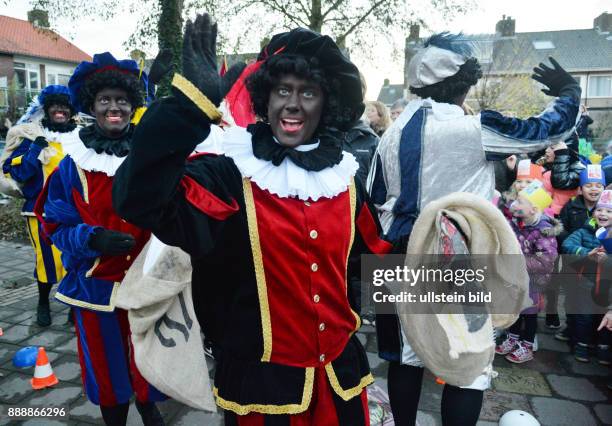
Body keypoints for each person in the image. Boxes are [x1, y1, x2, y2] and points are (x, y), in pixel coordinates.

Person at [113, 14, 391, 425]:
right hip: (260, 393)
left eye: (308, 92)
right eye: (282, 90)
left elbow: (372, 267)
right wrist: (187, 111)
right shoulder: (228, 175)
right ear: (266, 98)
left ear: (326, 102)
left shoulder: (345, 181)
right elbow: (141, 199)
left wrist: (476, 292)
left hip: (340, 383)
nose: (293, 103)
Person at [368, 33, 580, 425]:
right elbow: (545, 130)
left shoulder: (390, 134)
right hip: (458, 257)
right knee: (470, 364)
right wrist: (569, 92)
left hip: (396, 255)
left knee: (404, 356)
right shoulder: (470, 130)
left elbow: (373, 194)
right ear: (465, 81)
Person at [35, 53, 166, 426]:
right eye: (105, 100)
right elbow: (54, 225)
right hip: (95, 288)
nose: (114, 107)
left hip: (147, 284)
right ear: (91, 105)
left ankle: (148, 405)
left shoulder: (148, 153)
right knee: (108, 370)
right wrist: (93, 239)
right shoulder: (71, 164)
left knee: (150, 361)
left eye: (122, 100)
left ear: (132, 106)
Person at [2, 85, 78, 326]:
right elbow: (19, 173)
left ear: (71, 111)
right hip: (40, 211)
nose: (60, 110)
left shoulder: (80, 139)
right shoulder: (31, 138)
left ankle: (72, 304)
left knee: (75, 259)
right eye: (55, 105)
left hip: (76, 211)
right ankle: (43, 302)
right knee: (47, 260)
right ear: (46, 109)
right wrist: (36, 148)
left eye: (65, 106)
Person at [495, 182, 559, 363]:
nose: (515, 204)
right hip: (517, 278)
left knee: (529, 313)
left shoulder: (543, 230)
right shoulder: (517, 223)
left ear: (533, 209)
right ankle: (513, 338)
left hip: (534, 281)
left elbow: (546, 261)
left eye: (520, 202)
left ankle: (527, 345)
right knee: (516, 309)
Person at [554, 165, 607, 341]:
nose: (594, 189)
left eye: (598, 185)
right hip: (574, 259)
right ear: (580, 188)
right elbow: (560, 229)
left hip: (600, 264)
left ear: (604, 188)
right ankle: (571, 329)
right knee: (571, 297)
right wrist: (575, 242)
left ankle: (592, 335)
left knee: (597, 299)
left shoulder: (606, 207)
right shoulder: (572, 205)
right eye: (589, 185)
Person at [561, 190, 612, 364]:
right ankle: (581, 344)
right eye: (600, 210)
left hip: (607, 285)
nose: (603, 214)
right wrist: (585, 252)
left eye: (609, 211)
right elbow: (567, 244)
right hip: (585, 283)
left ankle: (603, 346)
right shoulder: (585, 230)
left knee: (604, 316)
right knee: (584, 315)